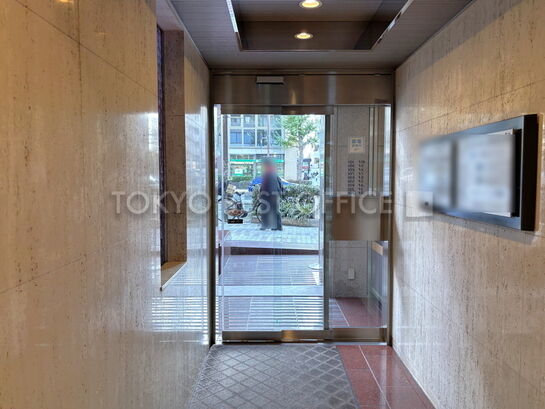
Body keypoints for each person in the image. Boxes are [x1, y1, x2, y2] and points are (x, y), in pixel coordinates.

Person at [259, 158, 283, 231]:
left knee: (264, 210)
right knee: (275, 210)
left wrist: (261, 194)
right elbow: (280, 184)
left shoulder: (266, 174)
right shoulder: (274, 174)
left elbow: (264, 186)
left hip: (267, 195)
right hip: (275, 195)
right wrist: (280, 193)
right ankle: (278, 226)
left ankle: (265, 225)